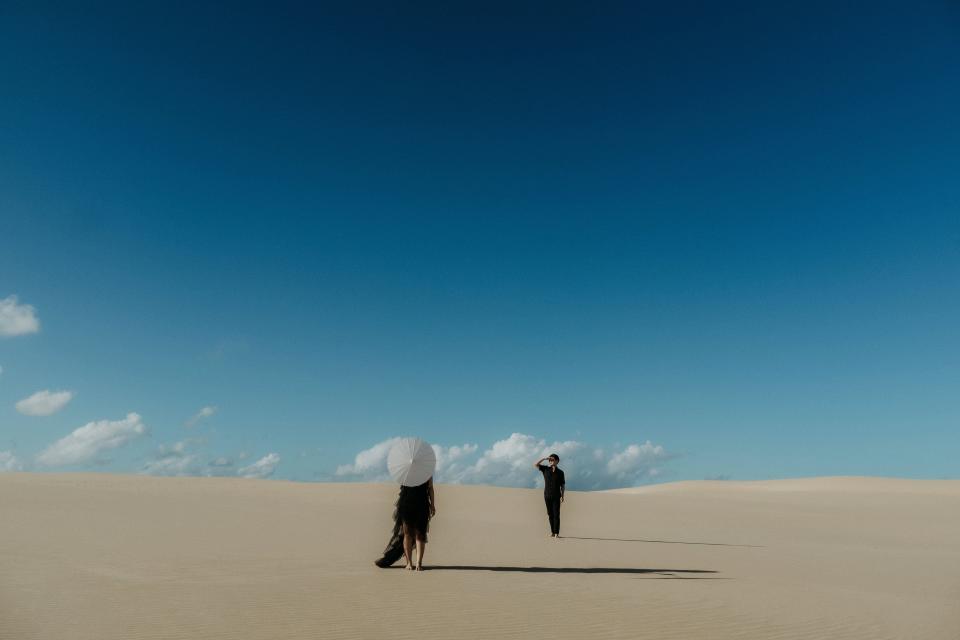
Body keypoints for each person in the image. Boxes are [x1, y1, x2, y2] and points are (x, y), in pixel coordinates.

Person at [375, 477, 436, 571]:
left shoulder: (427, 470)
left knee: (420, 534)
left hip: (422, 504)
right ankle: (409, 563)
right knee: (407, 534)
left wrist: (432, 504)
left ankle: (419, 563)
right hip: (406, 503)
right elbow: (401, 482)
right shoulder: (407, 469)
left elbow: (430, 488)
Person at [533, 454, 565, 537]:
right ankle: (552, 532)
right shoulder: (545, 469)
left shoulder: (561, 472)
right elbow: (536, 465)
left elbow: (563, 485)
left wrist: (563, 495)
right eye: (550, 460)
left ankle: (557, 533)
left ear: (557, 461)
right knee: (550, 514)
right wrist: (544, 458)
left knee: (556, 514)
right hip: (547, 495)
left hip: (557, 495)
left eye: (553, 459)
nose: (551, 461)